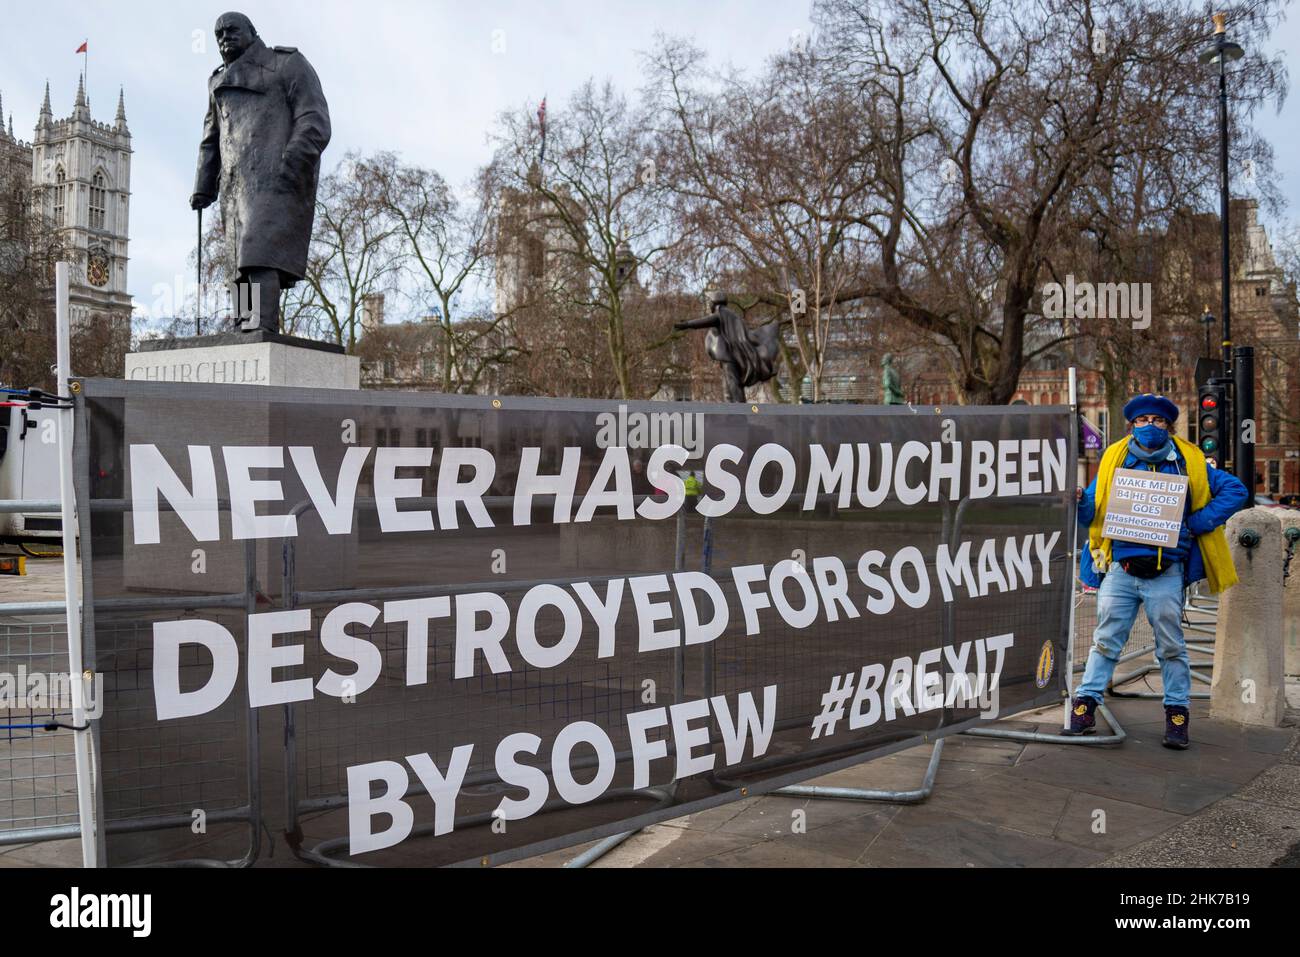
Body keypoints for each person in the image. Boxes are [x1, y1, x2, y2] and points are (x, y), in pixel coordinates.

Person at [1065, 393, 1249, 748]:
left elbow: (1235, 490)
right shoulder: (1113, 461)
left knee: (1171, 646)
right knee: (1105, 640)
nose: (1150, 427)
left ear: (1169, 426)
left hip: (1166, 572)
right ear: (1132, 425)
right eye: (1142, 420)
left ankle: (1177, 713)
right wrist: (1080, 500)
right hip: (1121, 569)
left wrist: (1196, 523)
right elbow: (1092, 513)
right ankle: (1085, 704)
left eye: (1158, 421)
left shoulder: (1188, 461)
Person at [190, 11, 331, 334]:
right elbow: (212, 137)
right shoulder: (217, 82)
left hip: (275, 179)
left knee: (259, 253)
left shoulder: (287, 64)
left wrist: (291, 163)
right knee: (238, 261)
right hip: (234, 185)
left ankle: (260, 323)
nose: (225, 37)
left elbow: (315, 119)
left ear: (252, 32)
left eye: (231, 30)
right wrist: (203, 186)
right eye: (218, 34)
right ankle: (245, 325)